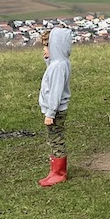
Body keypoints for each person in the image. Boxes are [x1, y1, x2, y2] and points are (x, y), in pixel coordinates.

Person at [37, 25, 73, 186]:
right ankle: (54, 171)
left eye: (46, 46)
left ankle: (59, 173)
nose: (44, 50)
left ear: (55, 46)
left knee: (56, 140)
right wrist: (47, 61)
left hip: (55, 111)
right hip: (54, 110)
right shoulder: (58, 63)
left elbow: (55, 92)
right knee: (53, 139)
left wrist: (50, 113)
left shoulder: (58, 66)